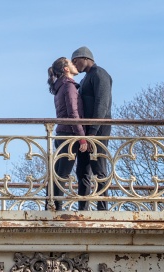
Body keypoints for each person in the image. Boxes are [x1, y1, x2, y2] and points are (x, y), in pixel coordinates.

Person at [71, 46, 112, 211]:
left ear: (85, 58)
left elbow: (102, 104)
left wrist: (93, 132)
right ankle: (83, 208)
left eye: (76, 61)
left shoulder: (99, 74)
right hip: (87, 130)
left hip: (99, 128)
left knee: (98, 167)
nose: (74, 65)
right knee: (82, 169)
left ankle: (103, 208)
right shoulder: (85, 79)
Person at [47, 57, 89, 211]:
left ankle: (51, 204)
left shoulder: (60, 87)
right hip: (69, 135)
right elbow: (73, 114)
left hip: (61, 134)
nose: (74, 65)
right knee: (62, 174)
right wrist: (82, 138)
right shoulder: (69, 87)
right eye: (71, 63)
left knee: (57, 173)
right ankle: (55, 208)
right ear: (66, 69)